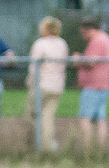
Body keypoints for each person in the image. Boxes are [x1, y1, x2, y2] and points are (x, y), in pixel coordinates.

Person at [26, 18, 68, 152]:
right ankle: (47, 146)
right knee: (48, 117)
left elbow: (34, 67)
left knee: (31, 114)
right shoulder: (62, 44)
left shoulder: (40, 43)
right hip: (57, 85)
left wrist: (30, 82)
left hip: (41, 84)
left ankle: (37, 144)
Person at [73, 17, 109, 150]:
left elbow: (90, 62)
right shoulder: (106, 39)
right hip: (103, 85)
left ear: (89, 30)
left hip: (93, 86)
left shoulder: (97, 41)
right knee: (100, 120)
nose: (83, 36)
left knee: (85, 119)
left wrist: (78, 59)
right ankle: (99, 150)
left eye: (83, 33)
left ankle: (87, 150)